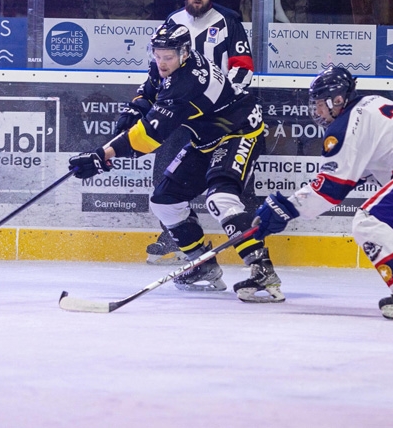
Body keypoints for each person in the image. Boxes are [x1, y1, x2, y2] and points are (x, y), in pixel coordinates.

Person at [71, 21, 284, 303]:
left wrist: (103, 156)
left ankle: (262, 270)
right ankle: (202, 265)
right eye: (157, 55)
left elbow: (149, 137)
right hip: (206, 137)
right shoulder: (171, 64)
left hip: (239, 131)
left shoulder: (188, 83)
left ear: (184, 53)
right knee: (164, 201)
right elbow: (150, 87)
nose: (161, 62)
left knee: (221, 199)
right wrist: (136, 107)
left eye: (167, 57)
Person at [252, 66, 393, 319]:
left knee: (368, 223)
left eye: (320, 104)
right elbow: (367, 167)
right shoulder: (374, 102)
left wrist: (285, 209)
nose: (317, 111)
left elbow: (330, 190)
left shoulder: (344, 127)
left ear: (337, 100)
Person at [120, 0, 256, 265]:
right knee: (165, 175)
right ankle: (175, 236)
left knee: (229, 178)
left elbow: (243, 66)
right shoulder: (172, 22)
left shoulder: (228, 21)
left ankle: (248, 240)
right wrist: (142, 101)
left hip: (218, 118)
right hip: (177, 114)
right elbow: (157, 69)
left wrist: (223, 100)